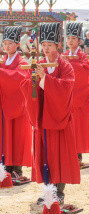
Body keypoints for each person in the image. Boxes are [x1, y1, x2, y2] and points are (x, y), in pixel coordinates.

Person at [21, 22, 80, 203]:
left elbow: (67, 87)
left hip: (59, 117)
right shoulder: (39, 64)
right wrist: (33, 79)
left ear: (58, 46)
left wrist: (45, 78)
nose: (46, 49)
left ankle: (59, 191)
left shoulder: (65, 66)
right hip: (43, 116)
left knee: (60, 155)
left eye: (50, 45)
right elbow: (26, 87)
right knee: (45, 154)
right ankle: (47, 188)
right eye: (44, 46)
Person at [0, 26, 32, 184]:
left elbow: (18, 78)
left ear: (18, 44)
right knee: (6, 136)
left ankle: (17, 169)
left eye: (10, 43)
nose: (6, 46)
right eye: (4, 43)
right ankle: (6, 166)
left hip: (17, 106)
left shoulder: (22, 62)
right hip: (5, 105)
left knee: (17, 136)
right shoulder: (3, 61)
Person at [63, 22, 89, 168]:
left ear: (79, 41)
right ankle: (67, 155)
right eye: (68, 38)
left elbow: (86, 73)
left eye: (74, 38)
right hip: (65, 97)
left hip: (79, 97)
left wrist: (70, 64)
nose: (70, 41)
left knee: (78, 128)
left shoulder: (83, 57)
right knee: (67, 127)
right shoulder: (63, 56)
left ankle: (77, 157)